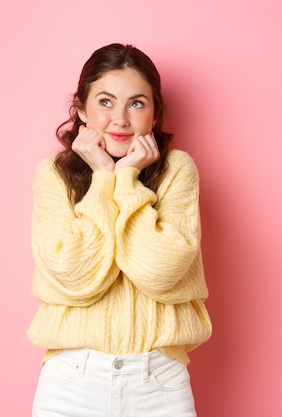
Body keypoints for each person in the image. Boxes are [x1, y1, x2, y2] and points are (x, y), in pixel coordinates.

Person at [28, 43, 212, 417]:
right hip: (70, 384)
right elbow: (73, 273)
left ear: (155, 113)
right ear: (81, 109)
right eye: (106, 102)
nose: (121, 120)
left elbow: (161, 271)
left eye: (137, 103)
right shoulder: (54, 174)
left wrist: (125, 178)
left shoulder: (177, 169)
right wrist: (101, 177)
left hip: (159, 383)